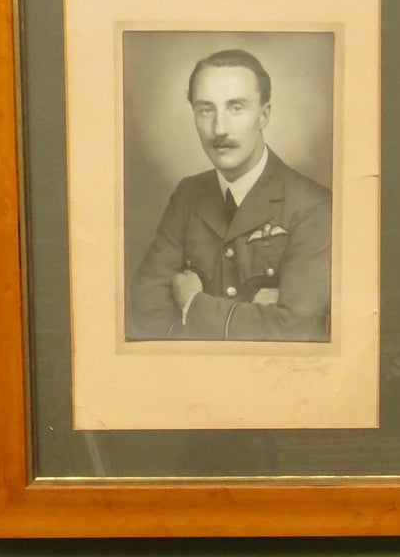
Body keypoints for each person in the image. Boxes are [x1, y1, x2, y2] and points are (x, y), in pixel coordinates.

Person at [127, 48, 332, 342]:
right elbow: (146, 305)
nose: (219, 129)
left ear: (264, 115)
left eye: (236, 107)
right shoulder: (188, 194)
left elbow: (291, 329)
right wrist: (250, 316)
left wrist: (193, 305)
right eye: (205, 109)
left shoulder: (313, 205)